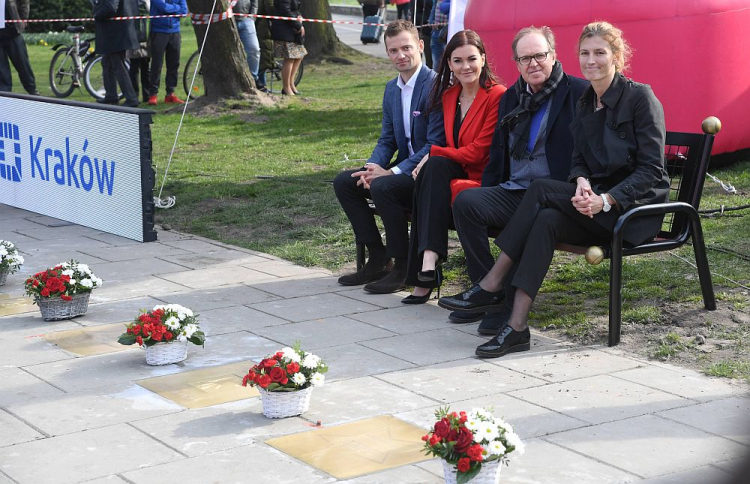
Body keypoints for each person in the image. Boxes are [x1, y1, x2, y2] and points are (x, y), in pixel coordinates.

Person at [439, 21, 669, 359]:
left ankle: (491, 284)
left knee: (544, 190)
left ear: (616, 56)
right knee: (546, 218)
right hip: (594, 206)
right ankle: (516, 327)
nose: (591, 60)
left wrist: (605, 199)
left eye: (599, 53)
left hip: (631, 214)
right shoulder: (587, 101)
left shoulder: (639, 98)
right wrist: (582, 185)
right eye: (585, 53)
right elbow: (579, 161)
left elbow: (652, 169)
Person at [447, 26, 588, 334]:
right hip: (516, 189)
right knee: (468, 202)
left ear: (553, 55)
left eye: (539, 55)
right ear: (516, 62)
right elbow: (499, 153)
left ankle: (502, 299)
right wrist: (489, 189)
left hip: (555, 195)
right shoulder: (513, 97)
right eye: (525, 58)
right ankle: (490, 296)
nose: (533, 64)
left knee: (537, 212)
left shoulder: (579, 93)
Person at [333, 20, 445, 292]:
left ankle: (403, 265)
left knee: (384, 185)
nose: (400, 55)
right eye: (393, 50)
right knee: (346, 182)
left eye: (406, 47)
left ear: (420, 46)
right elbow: (387, 139)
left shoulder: (435, 85)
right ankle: (377, 256)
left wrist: (392, 172)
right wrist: (373, 167)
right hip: (401, 168)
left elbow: (434, 143)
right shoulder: (391, 89)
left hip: (427, 172)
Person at [400, 30, 505, 300]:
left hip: (486, 176)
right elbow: (452, 145)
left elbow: (480, 152)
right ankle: (429, 262)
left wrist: (432, 152)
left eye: (472, 58)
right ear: (449, 64)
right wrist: (434, 156)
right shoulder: (449, 96)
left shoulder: (497, 95)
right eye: (457, 61)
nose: (465, 66)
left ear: (483, 58)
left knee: (432, 166)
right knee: (432, 170)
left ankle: (425, 273)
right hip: (458, 169)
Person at [92, 0, 140, 107]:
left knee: (118, 66)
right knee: (107, 63)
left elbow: (110, 7)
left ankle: (131, 98)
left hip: (116, 33)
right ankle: (111, 95)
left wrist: (96, 15)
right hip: (114, 31)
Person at [147, 0, 187, 105]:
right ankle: (153, 94)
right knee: (157, 64)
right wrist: (176, 8)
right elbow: (163, 7)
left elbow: (184, 11)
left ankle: (170, 94)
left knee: (174, 63)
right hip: (158, 31)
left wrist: (171, 8)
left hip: (175, 31)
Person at [0, 0, 39, 95]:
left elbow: (24, 2)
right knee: (1, 69)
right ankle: (5, 94)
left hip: (13, 32)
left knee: (22, 64)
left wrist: (23, 19)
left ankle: (32, 90)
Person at [271, 0, 306, 96]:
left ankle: (291, 83)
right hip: (284, 30)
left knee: (299, 55)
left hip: (291, 29)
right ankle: (286, 88)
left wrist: (299, 17)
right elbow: (285, 12)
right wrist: (298, 25)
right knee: (290, 58)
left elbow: (294, 9)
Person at [128, 0, 151, 104]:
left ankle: (147, 95)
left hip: (144, 35)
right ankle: (135, 95)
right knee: (134, 68)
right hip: (135, 37)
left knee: (145, 68)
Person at [235, 0, 262, 88]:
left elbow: (254, 2)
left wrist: (252, 17)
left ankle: (253, 78)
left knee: (254, 49)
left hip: (246, 20)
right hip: (227, 19)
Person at [255, 0, 274, 92]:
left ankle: (262, 83)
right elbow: (269, 8)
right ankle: (261, 84)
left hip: (260, 22)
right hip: (261, 24)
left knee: (263, 54)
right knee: (264, 54)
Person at [428, 0, 448, 68]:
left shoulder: (453, 2)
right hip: (436, 33)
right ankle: (437, 78)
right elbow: (431, 15)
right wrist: (432, 22)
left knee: (447, 61)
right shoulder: (436, 1)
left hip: (447, 33)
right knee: (436, 63)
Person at [414, 0, 433, 69]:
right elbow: (416, 12)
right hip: (424, 30)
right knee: (423, 55)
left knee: (431, 58)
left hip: (434, 30)